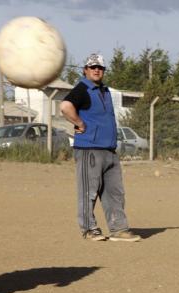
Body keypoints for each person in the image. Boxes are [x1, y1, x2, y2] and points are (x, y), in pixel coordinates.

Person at [60, 53, 140, 242]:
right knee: (89, 191)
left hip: (109, 150)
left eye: (100, 68)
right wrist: (79, 123)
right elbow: (65, 106)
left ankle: (118, 229)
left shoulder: (104, 91)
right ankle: (89, 229)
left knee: (115, 192)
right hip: (90, 149)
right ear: (85, 70)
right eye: (93, 67)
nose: (97, 70)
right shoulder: (82, 89)